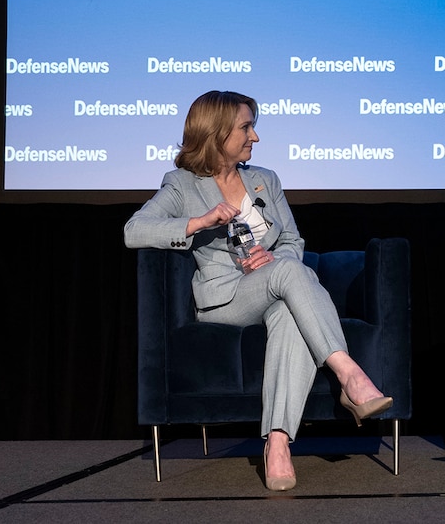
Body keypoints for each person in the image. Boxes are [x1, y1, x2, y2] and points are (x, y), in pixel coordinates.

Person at [124, 90, 392, 491]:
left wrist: (271, 259)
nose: (255, 137)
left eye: (253, 126)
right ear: (215, 133)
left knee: (288, 308)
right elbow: (134, 231)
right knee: (289, 274)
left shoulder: (265, 180)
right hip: (224, 300)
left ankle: (278, 444)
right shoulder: (181, 185)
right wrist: (199, 221)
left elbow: (293, 243)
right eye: (246, 127)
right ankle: (350, 375)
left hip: (270, 287)